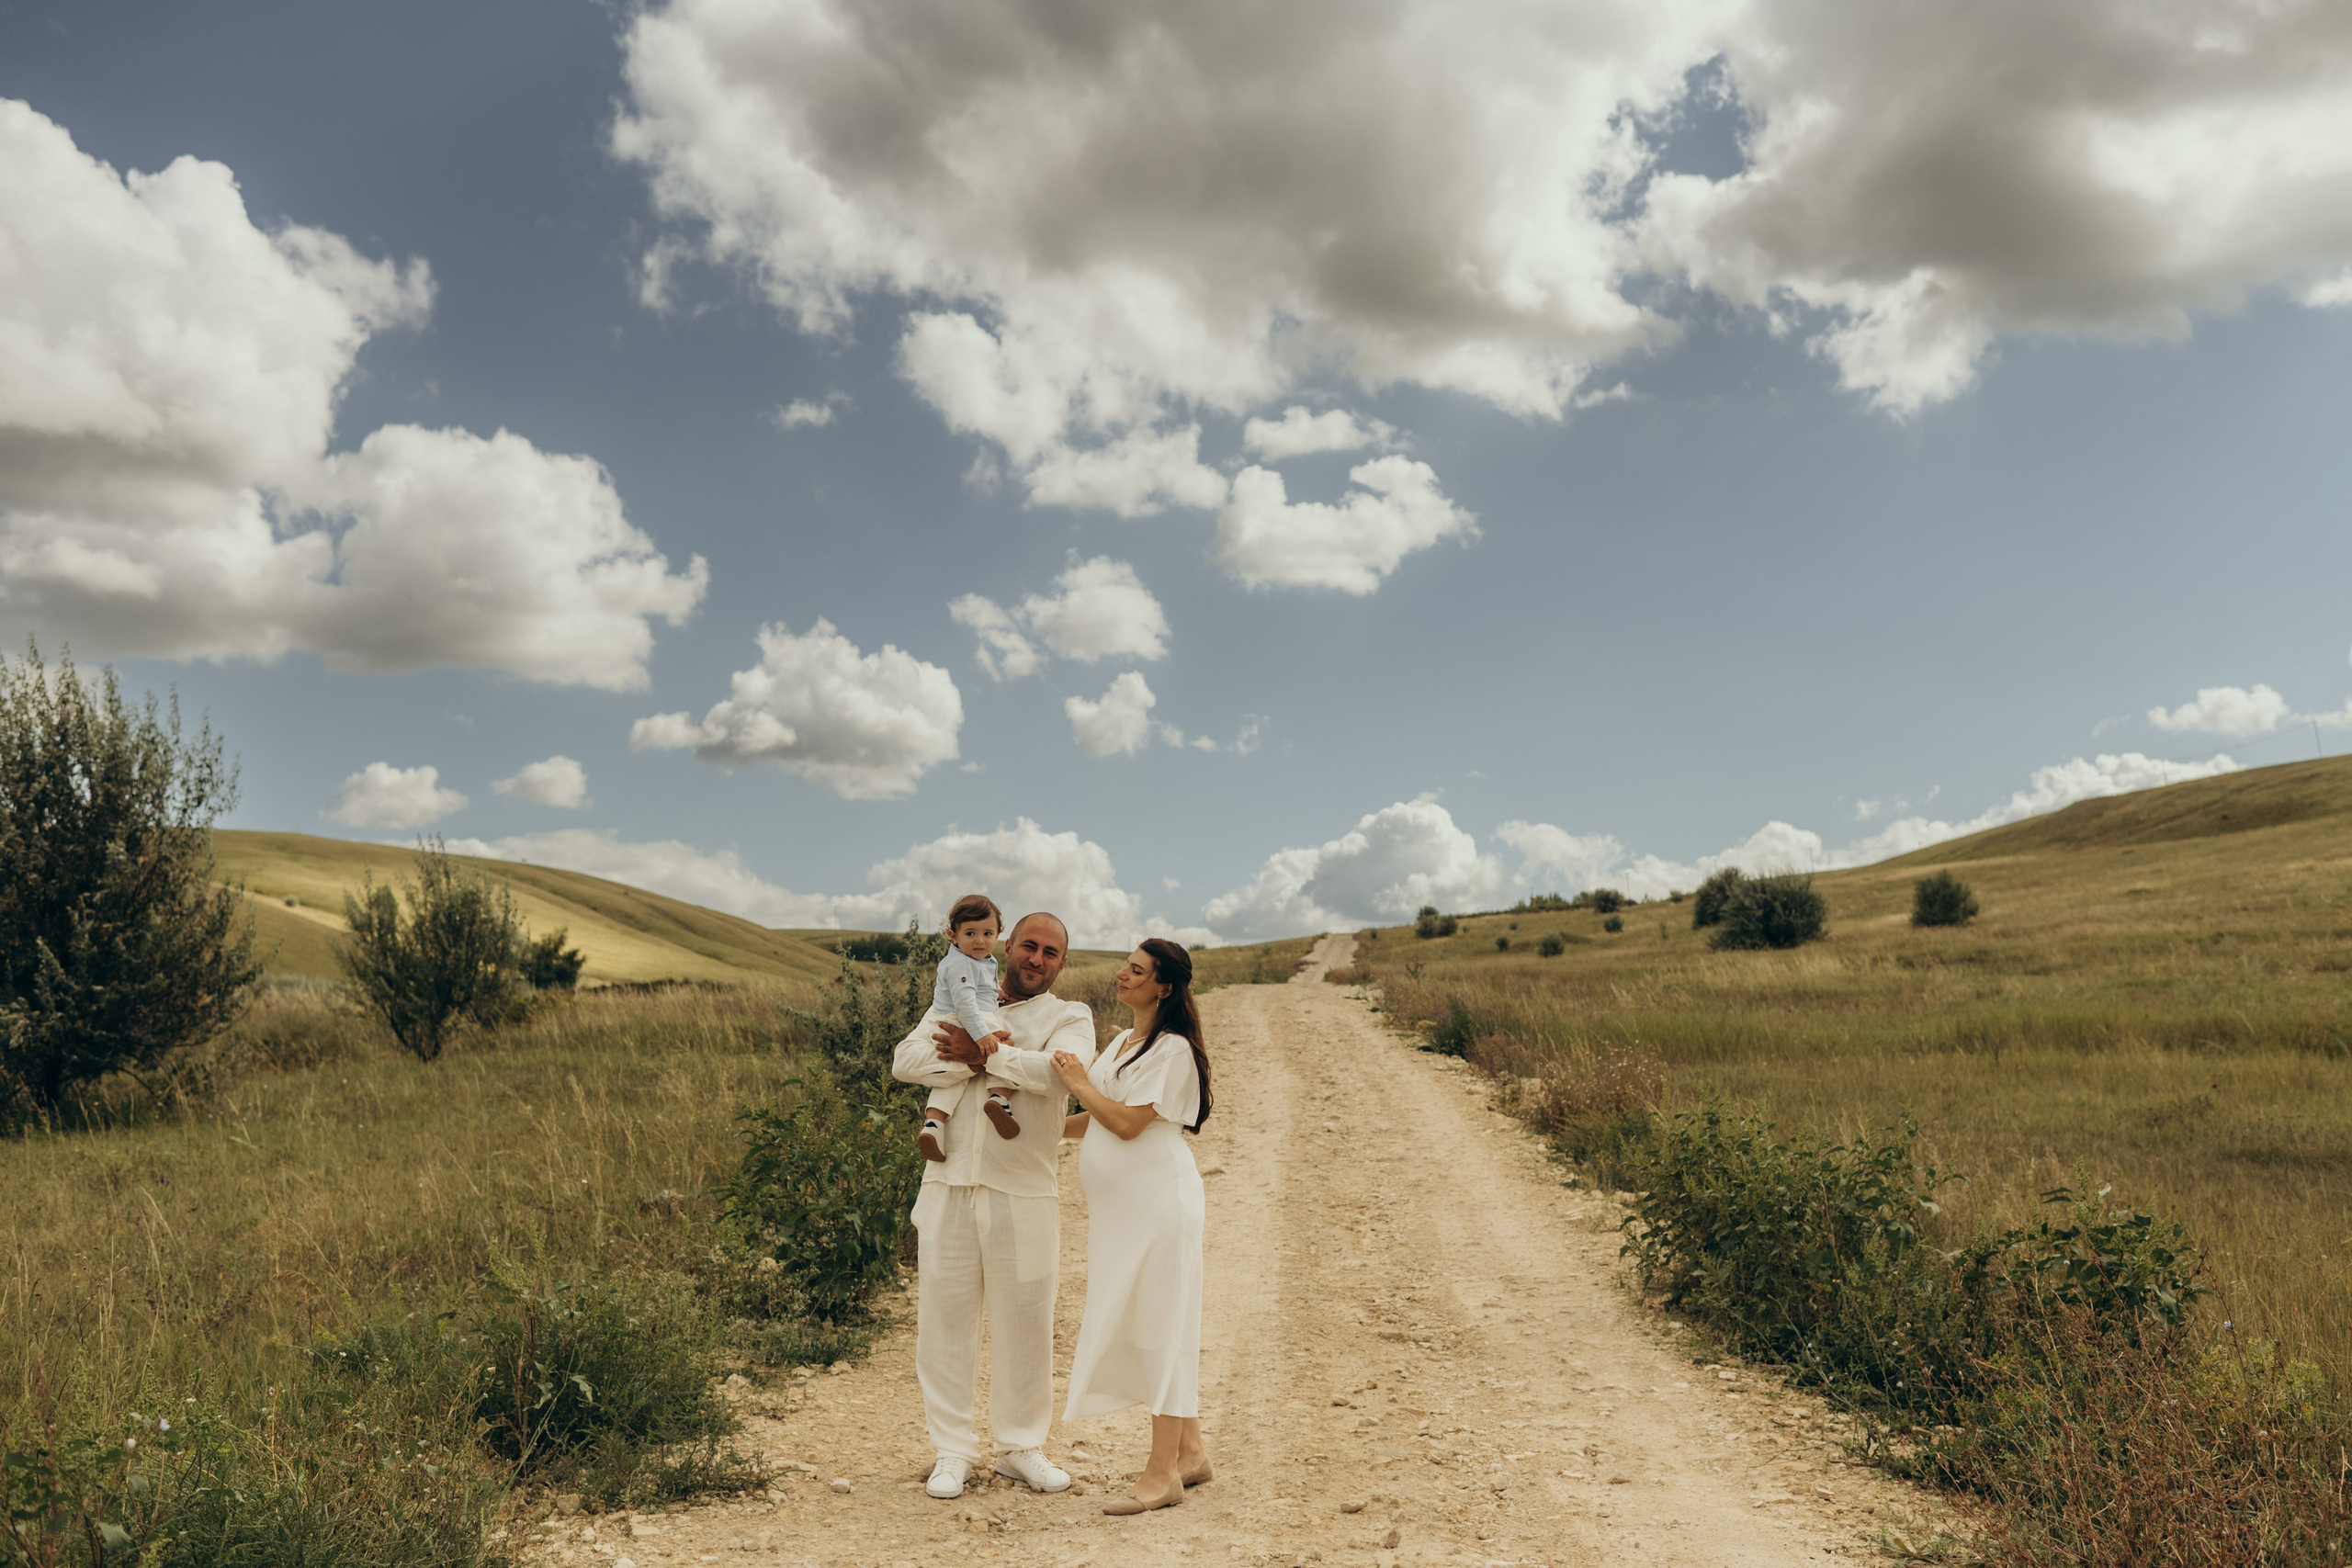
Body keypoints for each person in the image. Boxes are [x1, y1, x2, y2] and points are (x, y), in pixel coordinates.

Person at [890, 910, 1098, 1501]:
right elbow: (906, 1062)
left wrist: (982, 1057)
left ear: (1062, 963)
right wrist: (976, 1050)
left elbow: (1061, 1077)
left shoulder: (1069, 1016)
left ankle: (1020, 1446)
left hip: (1024, 1190)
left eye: (1050, 952)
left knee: (1027, 1322)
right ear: (1006, 945)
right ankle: (951, 1450)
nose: (1036, 958)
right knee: (943, 1325)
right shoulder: (955, 992)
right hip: (948, 1185)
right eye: (1028, 946)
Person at [1052, 937, 1214, 1517]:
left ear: (1163, 986)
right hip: (1122, 1215)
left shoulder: (1172, 1050)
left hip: (1159, 1205)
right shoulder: (1124, 1041)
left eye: (1136, 970)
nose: (1122, 974)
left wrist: (1076, 1083)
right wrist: (1039, 1134)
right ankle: (1191, 1451)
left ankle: (1163, 1472)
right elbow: (1094, 1118)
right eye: (1125, 965)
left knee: (1162, 1326)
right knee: (1149, 1319)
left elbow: (1123, 1123)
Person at [918, 893, 1019, 1162]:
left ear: (998, 934)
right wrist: (982, 1035)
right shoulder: (961, 962)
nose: (979, 940)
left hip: (963, 1016)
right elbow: (964, 1003)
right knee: (1002, 1049)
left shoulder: (980, 959)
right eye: (970, 933)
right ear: (953, 935)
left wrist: (995, 992)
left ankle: (934, 1123)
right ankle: (999, 1098)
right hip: (965, 1020)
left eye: (988, 933)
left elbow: (978, 987)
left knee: (955, 1075)